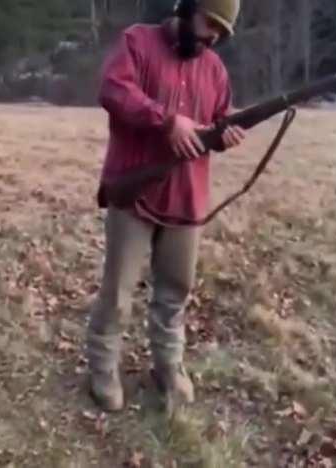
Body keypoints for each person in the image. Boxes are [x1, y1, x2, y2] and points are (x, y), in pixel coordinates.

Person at [87, 0, 246, 412]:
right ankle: (102, 367)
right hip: (134, 194)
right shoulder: (137, 42)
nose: (213, 37)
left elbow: (219, 118)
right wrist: (167, 120)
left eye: (221, 32)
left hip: (187, 199)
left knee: (175, 293)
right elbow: (114, 90)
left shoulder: (215, 69)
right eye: (210, 23)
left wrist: (226, 133)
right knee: (118, 293)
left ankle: (168, 366)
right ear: (187, 8)